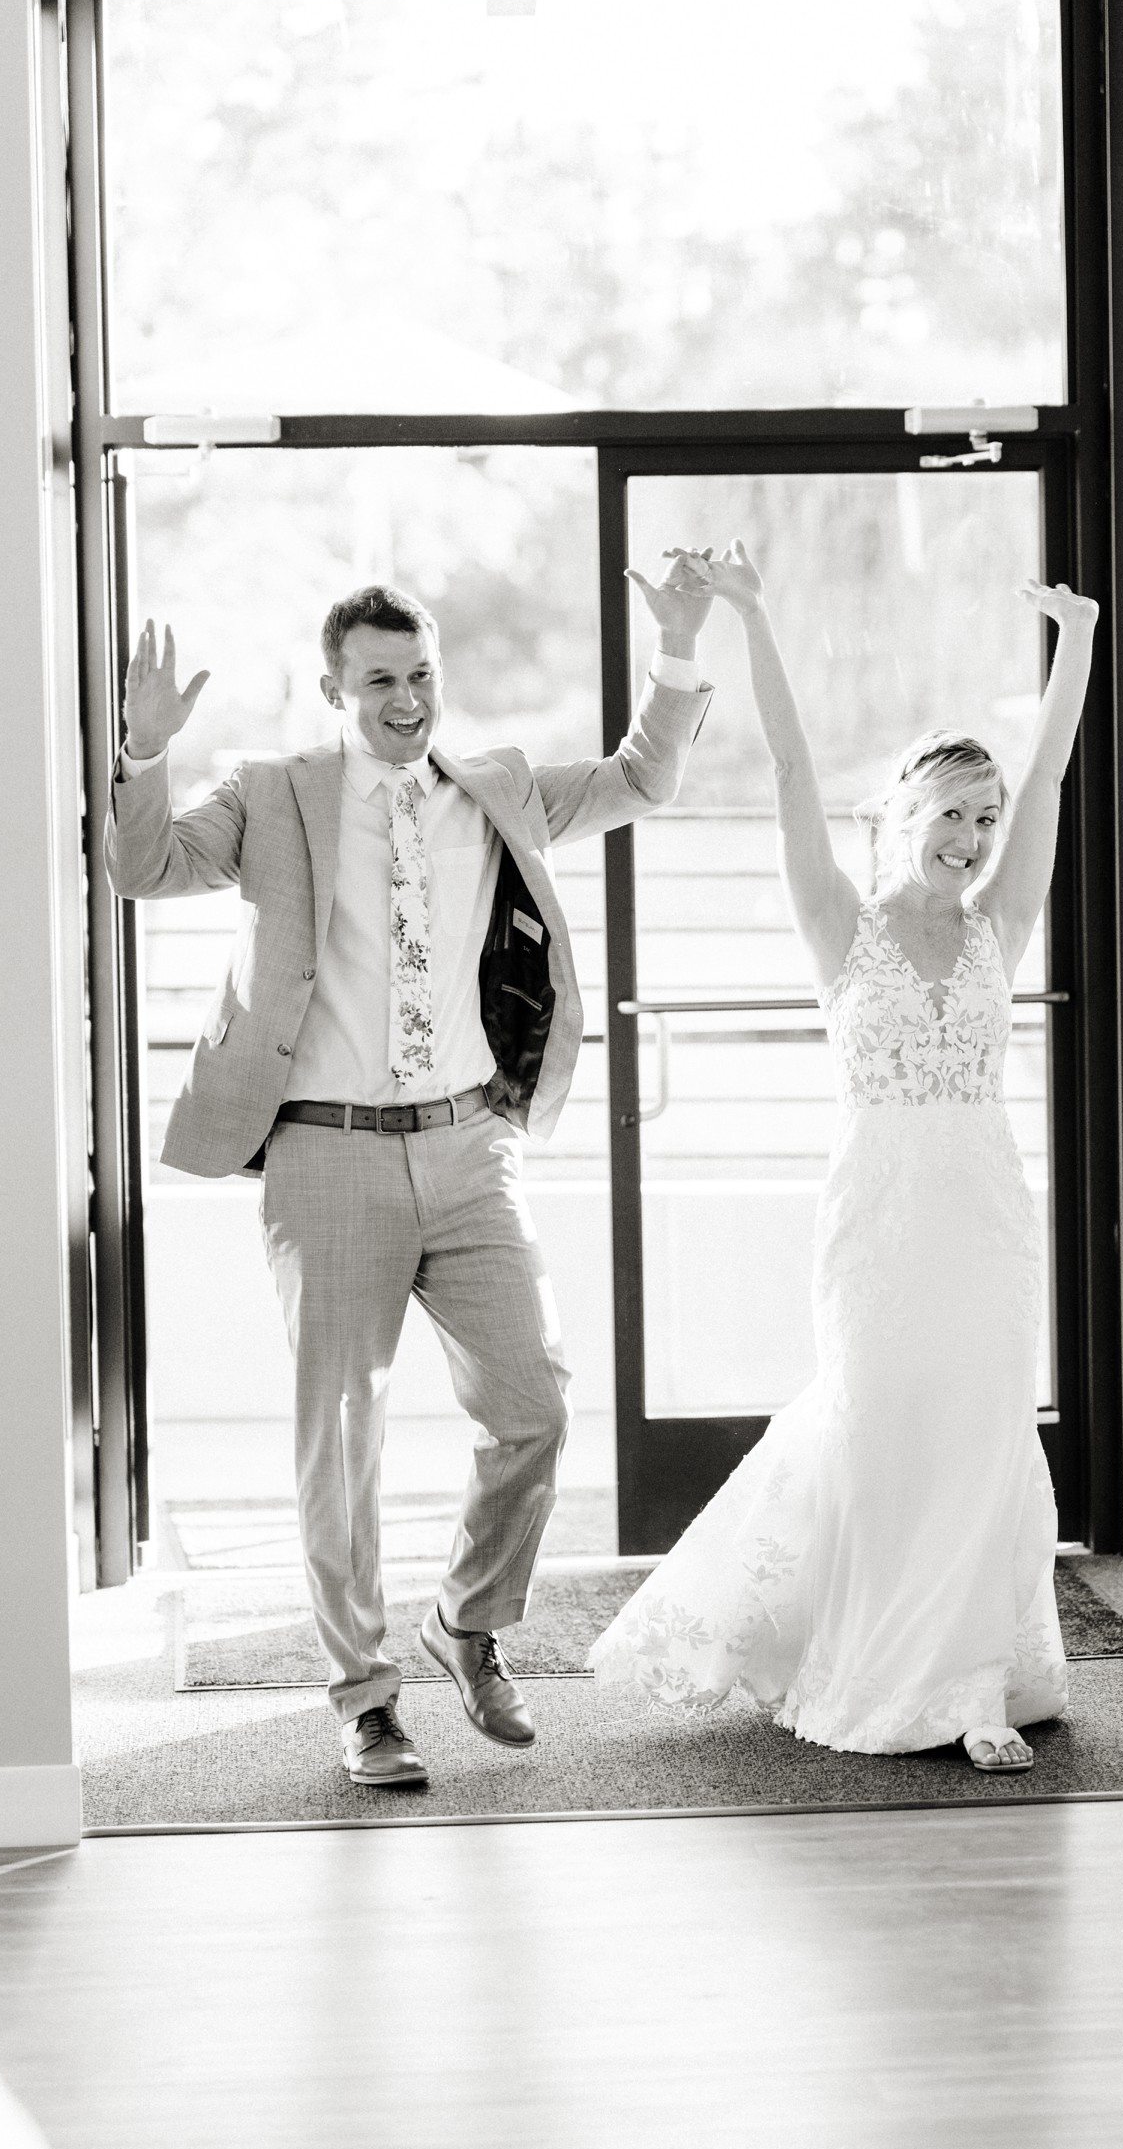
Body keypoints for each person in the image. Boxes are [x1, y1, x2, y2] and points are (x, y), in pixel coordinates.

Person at [107, 564, 713, 1788]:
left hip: (469, 1143)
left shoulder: (495, 788)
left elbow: (646, 776)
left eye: (421, 672)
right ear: (335, 689)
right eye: (379, 678)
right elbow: (145, 867)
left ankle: (467, 1626)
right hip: (325, 1149)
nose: (406, 696)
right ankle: (364, 1699)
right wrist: (142, 749)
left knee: (534, 1401)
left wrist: (682, 648)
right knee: (342, 1433)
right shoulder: (274, 797)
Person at [591, 541, 1098, 1772]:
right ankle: (870, 1654)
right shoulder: (840, 924)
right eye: (950, 815)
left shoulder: (1000, 927)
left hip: (982, 1219)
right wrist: (754, 616)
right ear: (902, 821)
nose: (974, 836)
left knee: (980, 1432)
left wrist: (1076, 639)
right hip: (876, 1225)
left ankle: (974, 1681)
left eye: (982, 819)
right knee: (881, 1430)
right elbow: (789, 764)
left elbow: (1048, 783)